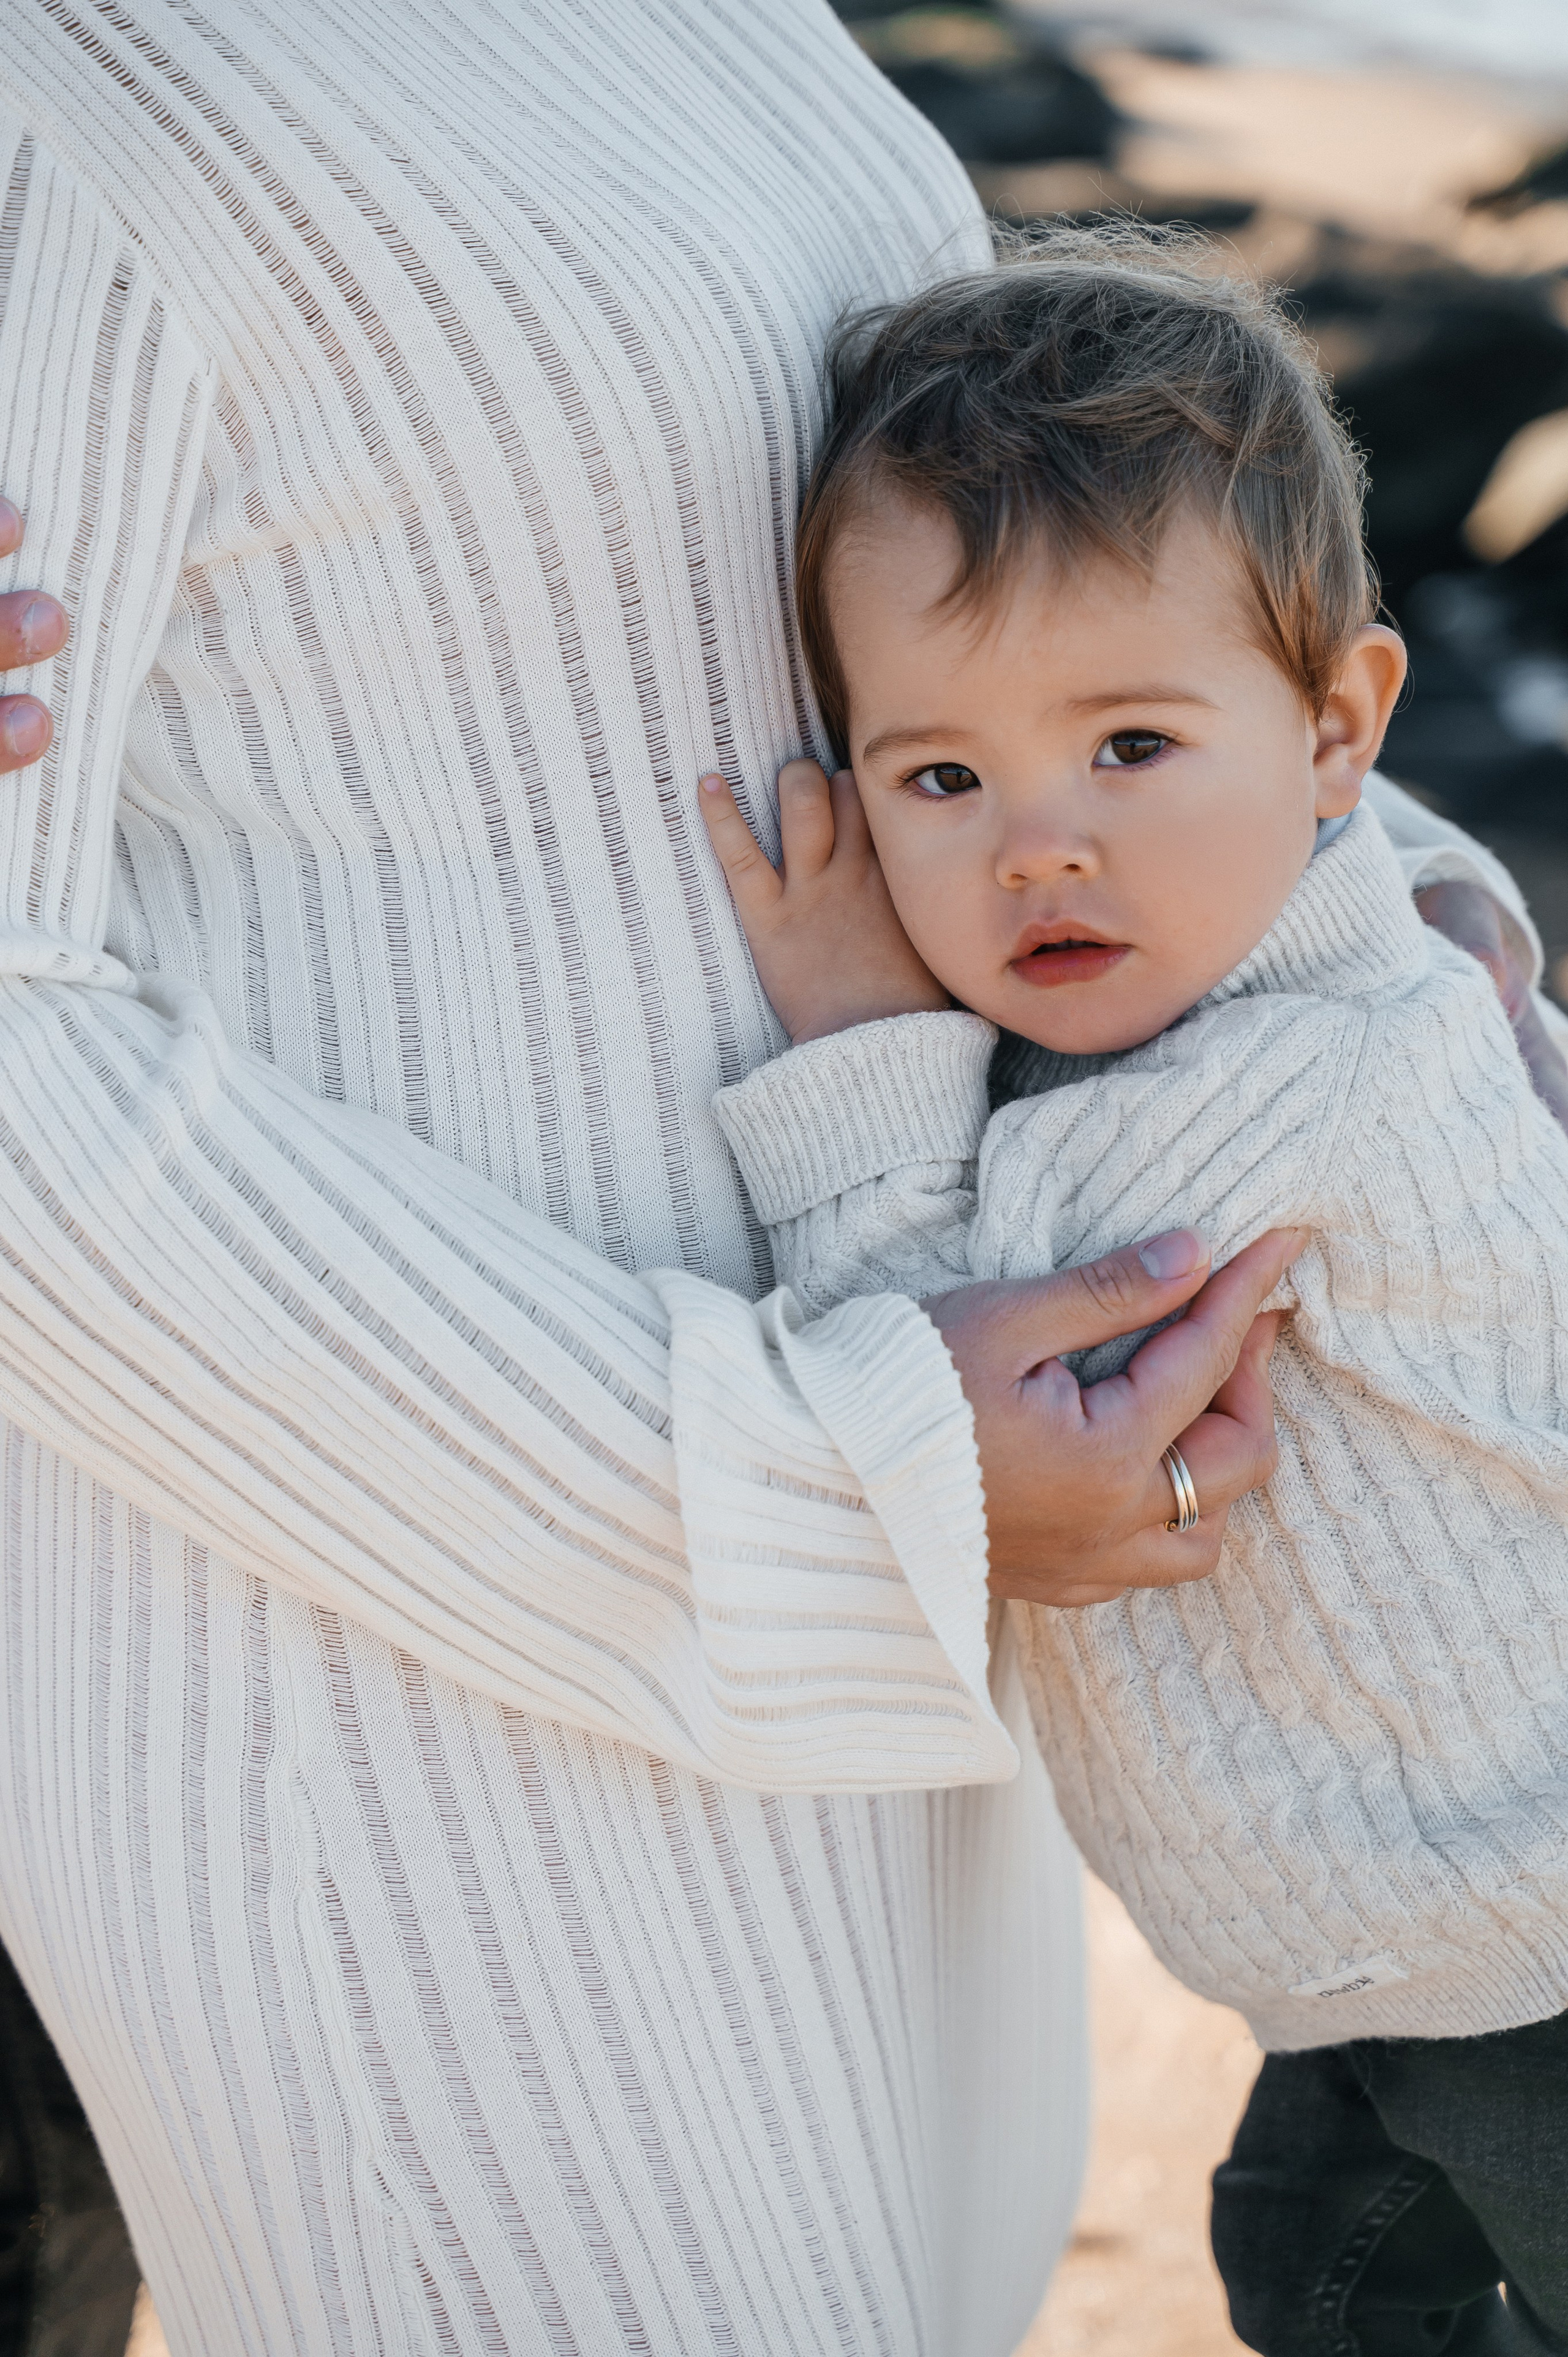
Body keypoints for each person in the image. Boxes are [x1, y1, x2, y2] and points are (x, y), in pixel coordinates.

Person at [0, 13, 1553, 2351]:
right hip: (451, 1685)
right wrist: (838, 1482)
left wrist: (1402, 890)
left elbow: (1054, 597)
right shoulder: (70, 108)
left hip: (910, 1616)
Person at [698, 228, 1568, 2354]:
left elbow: (936, 1348)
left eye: (1130, 747)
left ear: (1339, 726)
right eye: (941, 777)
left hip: (1525, 1931)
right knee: (1313, 2275)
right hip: (1400, 1938)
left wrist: (854, 1041)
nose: (1037, 848)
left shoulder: (1274, 1079)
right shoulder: (1357, 945)